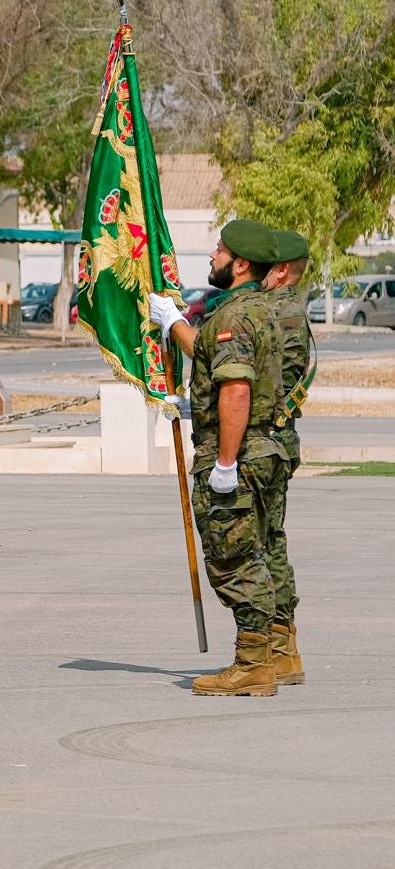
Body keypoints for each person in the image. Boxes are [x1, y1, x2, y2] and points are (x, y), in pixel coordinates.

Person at [149, 219, 287, 696]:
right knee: (253, 553)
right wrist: (175, 323)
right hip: (262, 449)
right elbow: (210, 356)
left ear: (241, 264)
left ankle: (253, 665)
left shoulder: (234, 316)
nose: (212, 255)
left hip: (238, 455)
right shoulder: (255, 308)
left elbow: (236, 390)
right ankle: (265, 656)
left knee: (232, 559)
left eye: (220, 250)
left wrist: (225, 463)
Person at [259, 228, 312, 685]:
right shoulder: (283, 309)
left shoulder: (281, 313)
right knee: (271, 540)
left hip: (267, 442)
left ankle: (276, 647)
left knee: (262, 543)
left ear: (279, 270)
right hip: (276, 441)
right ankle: (283, 648)